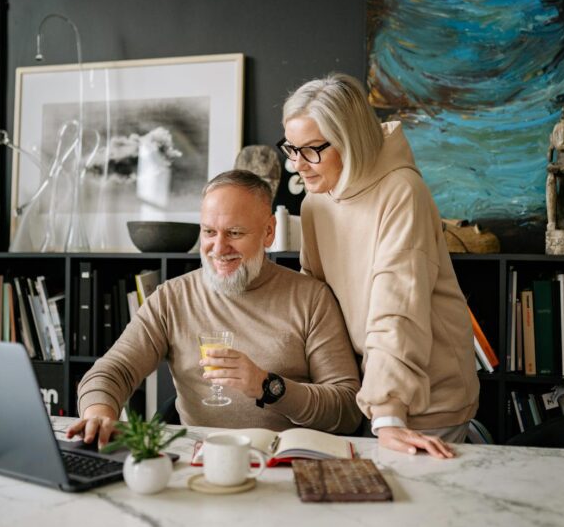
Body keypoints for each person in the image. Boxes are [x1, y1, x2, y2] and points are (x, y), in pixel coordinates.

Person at [68, 170, 361, 447]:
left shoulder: (311, 298)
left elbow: (347, 409)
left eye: (234, 233)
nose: (218, 248)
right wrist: (98, 412)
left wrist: (266, 387)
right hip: (198, 459)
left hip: (282, 461)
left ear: (268, 232)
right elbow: (113, 369)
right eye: (209, 232)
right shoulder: (172, 297)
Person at [279, 73, 480, 458]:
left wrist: (388, 413)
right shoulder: (315, 204)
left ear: (350, 140)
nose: (298, 165)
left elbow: (397, 305)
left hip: (426, 395)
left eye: (312, 149)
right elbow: (315, 299)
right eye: (291, 148)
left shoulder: (402, 191)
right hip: (368, 391)